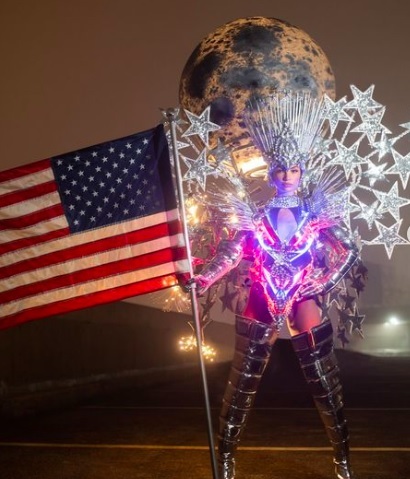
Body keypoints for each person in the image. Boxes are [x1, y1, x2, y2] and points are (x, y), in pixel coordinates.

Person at [186, 92, 360, 479]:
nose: (286, 175)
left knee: (325, 381)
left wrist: (325, 278)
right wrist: (204, 277)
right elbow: (230, 254)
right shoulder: (254, 216)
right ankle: (227, 459)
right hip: (263, 294)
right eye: (280, 169)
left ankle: (342, 459)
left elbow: (348, 250)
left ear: (301, 173)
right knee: (242, 381)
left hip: (303, 296)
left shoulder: (316, 212)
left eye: (293, 169)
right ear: (270, 173)